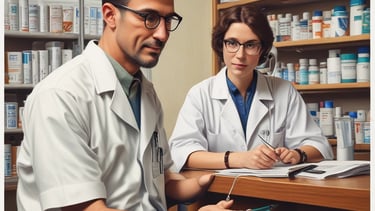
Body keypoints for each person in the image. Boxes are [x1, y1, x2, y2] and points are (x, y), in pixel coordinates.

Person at [16, 0, 233, 210]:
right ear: (111, 15)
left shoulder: (145, 93)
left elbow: (158, 183)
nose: (162, 34)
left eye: (168, 20)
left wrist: (202, 183)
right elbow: (87, 208)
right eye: (150, 18)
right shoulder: (60, 96)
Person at [169, 5, 334, 172]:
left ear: (262, 49)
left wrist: (297, 154)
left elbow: (320, 146)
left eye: (250, 45)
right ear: (221, 45)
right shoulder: (200, 94)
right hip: (218, 192)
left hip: (274, 191)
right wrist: (239, 159)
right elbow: (180, 152)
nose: (240, 55)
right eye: (232, 43)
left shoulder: (284, 91)